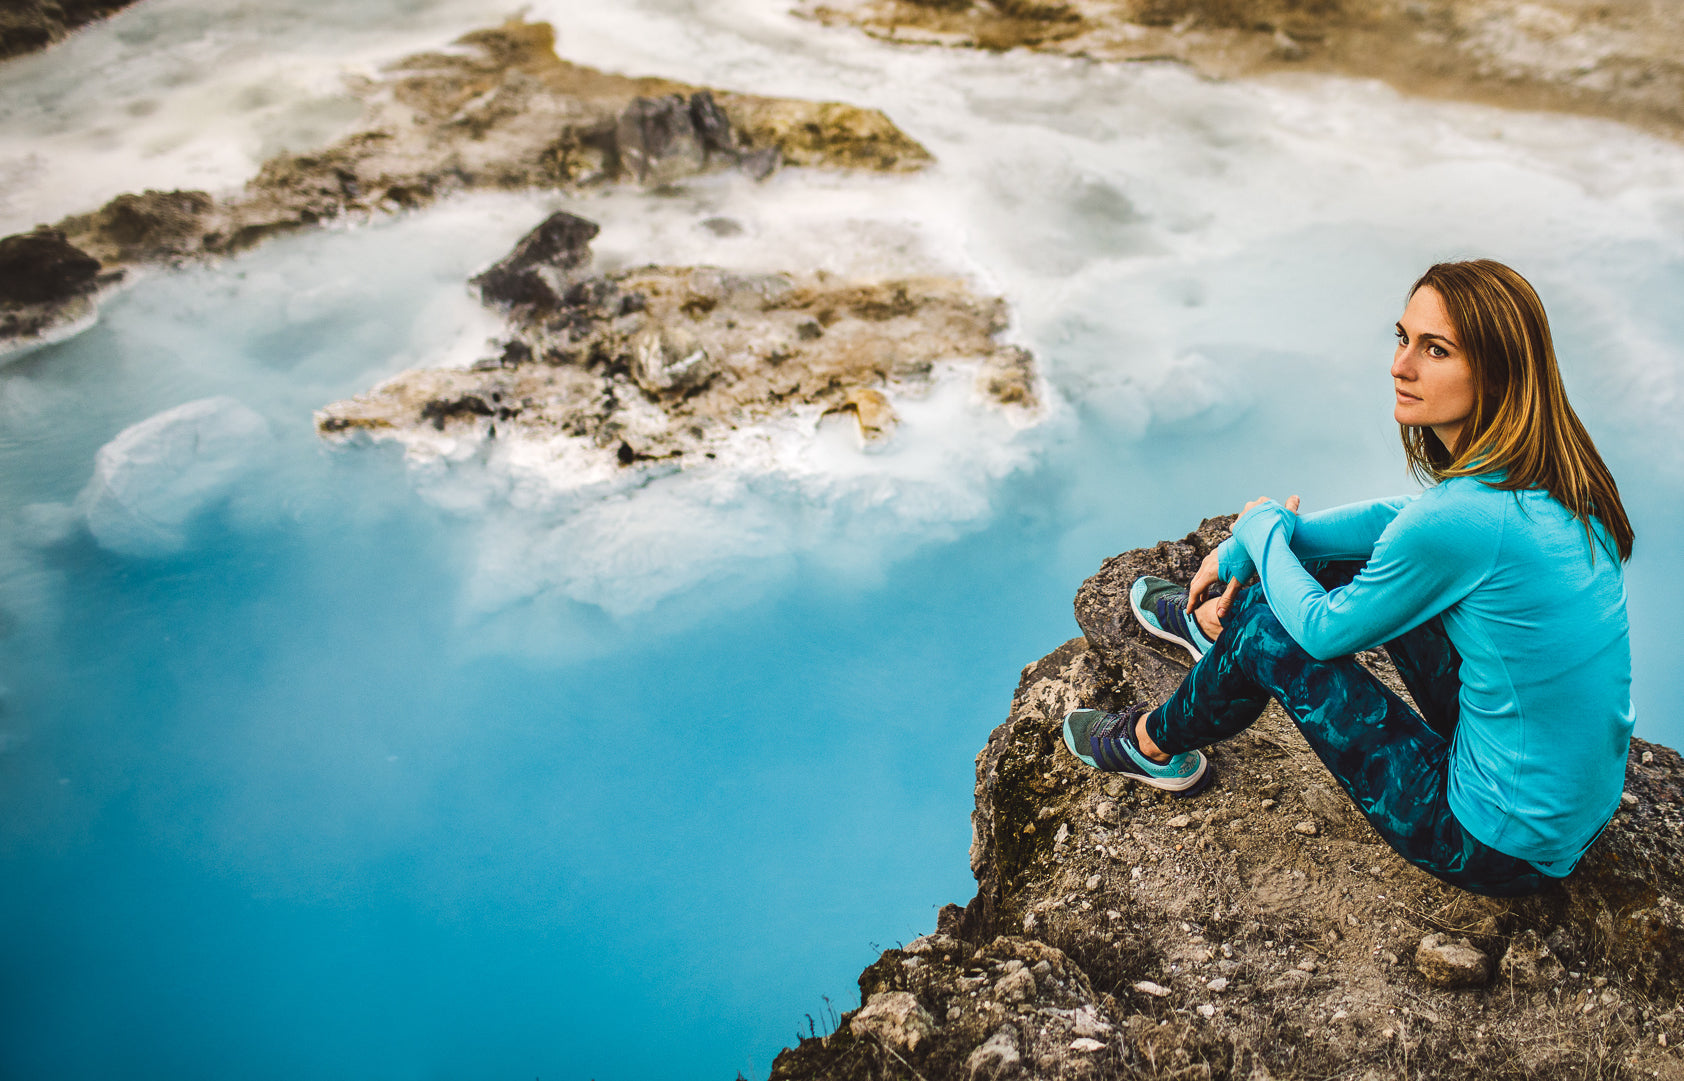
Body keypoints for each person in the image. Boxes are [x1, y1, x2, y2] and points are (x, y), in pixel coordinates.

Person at [1063, 259, 1634, 897]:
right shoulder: (1560, 479)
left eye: (1435, 350)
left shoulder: (1465, 520)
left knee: (1269, 633)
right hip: (1565, 811)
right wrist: (1259, 538)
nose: (1401, 366)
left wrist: (1259, 533)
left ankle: (1151, 743)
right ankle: (1211, 632)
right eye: (1403, 338)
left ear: (1496, 375)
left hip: (1493, 844)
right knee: (1325, 572)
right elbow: (1397, 522)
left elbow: (1323, 630)